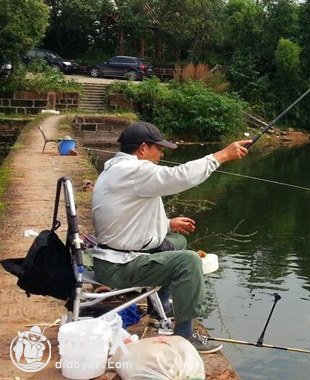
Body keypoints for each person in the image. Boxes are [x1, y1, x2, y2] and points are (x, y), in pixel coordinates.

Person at [91, 121, 252, 353]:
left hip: (115, 253)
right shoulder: (133, 171)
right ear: (143, 148)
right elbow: (179, 177)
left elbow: (125, 219)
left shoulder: (117, 170)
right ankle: (185, 335)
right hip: (118, 266)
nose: (162, 153)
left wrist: (167, 224)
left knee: (177, 242)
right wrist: (221, 156)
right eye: (159, 147)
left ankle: (161, 306)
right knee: (189, 261)